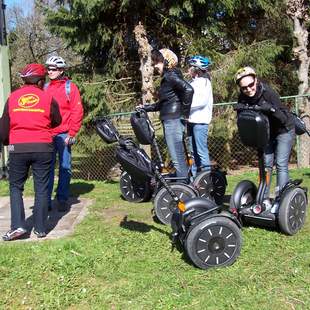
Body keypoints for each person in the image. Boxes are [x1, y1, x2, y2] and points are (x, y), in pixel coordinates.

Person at [0, 64, 62, 241]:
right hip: (43, 147)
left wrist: (7, 142)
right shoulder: (47, 98)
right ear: (41, 81)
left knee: (15, 187)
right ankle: (41, 228)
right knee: (41, 188)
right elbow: (57, 120)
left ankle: (18, 226)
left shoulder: (12, 98)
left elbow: (4, 125)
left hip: (18, 147)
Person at [234, 66, 295, 205]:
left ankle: (282, 199)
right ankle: (264, 199)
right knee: (266, 165)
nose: (249, 89)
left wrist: (270, 109)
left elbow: (283, 118)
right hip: (265, 134)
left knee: (280, 164)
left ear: (256, 80)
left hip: (283, 130)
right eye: (244, 88)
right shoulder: (242, 97)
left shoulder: (268, 93)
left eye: (251, 84)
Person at [142, 48, 194, 180]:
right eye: (154, 63)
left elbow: (189, 89)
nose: (155, 66)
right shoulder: (168, 77)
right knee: (178, 157)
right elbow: (163, 103)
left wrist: (184, 114)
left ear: (166, 61)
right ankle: (184, 183)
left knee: (177, 158)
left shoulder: (171, 76)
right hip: (170, 120)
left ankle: (183, 189)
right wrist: (145, 108)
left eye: (157, 62)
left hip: (173, 121)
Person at [44, 56, 83, 212]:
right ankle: (45, 200)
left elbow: (77, 111)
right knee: (47, 168)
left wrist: (72, 133)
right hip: (47, 135)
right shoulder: (45, 88)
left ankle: (62, 199)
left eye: (52, 69)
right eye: (48, 68)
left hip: (64, 134)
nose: (49, 71)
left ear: (61, 70)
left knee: (65, 167)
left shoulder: (70, 87)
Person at [187, 55, 213, 176]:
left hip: (200, 121)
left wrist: (185, 106)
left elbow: (201, 101)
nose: (188, 70)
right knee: (193, 152)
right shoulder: (193, 82)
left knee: (201, 151)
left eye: (190, 67)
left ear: (196, 69)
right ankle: (194, 179)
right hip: (191, 121)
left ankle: (207, 178)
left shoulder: (205, 82)